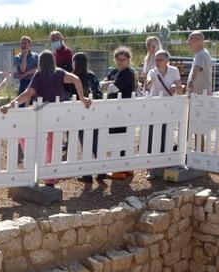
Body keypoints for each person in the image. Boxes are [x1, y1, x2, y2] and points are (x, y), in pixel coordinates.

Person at [0, 50, 92, 187]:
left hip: (41, 111)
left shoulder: (39, 74)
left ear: (40, 62)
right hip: (57, 114)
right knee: (52, 144)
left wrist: (10, 104)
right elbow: (76, 80)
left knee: (24, 136)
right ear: (53, 60)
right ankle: (50, 178)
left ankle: (35, 162)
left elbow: (28, 93)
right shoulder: (60, 73)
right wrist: (83, 98)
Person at [144, 49, 182, 180]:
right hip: (154, 108)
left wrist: (175, 86)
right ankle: (150, 168)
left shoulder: (174, 70)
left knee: (165, 136)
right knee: (151, 136)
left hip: (169, 109)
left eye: (159, 60)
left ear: (167, 61)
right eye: (156, 59)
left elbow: (180, 88)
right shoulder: (153, 71)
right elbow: (149, 79)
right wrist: (148, 81)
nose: (156, 62)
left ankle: (161, 166)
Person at [100, 46, 136, 180]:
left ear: (128, 60)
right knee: (119, 136)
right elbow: (101, 84)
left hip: (123, 111)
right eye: (118, 59)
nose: (121, 62)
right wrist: (108, 83)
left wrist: (108, 83)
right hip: (114, 110)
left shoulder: (128, 73)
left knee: (119, 137)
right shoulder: (115, 71)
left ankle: (119, 170)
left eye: (124, 59)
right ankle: (126, 167)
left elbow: (111, 89)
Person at [70, 52, 103, 182]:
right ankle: (101, 171)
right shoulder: (92, 76)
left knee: (85, 142)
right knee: (96, 142)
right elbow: (99, 93)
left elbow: (72, 96)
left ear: (76, 62)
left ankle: (87, 174)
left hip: (81, 114)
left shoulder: (74, 78)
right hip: (95, 112)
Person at [14, 36, 39, 104]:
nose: (23, 45)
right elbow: (22, 70)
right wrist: (24, 56)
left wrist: (27, 73)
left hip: (34, 82)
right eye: (21, 43)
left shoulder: (35, 56)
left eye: (25, 43)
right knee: (22, 104)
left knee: (35, 104)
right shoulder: (17, 57)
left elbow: (38, 69)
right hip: (24, 83)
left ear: (30, 45)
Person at [186, 31, 213, 95]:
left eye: (191, 39)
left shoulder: (201, 54)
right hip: (200, 94)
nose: (188, 42)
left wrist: (191, 83)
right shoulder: (201, 53)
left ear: (199, 40)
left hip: (199, 95)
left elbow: (197, 68)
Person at [50, 30, 74, 97]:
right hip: (56, 83)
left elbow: (69, 68)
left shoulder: (67, 51)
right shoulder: (54, 53)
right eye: (52, 40)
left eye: (55, 39)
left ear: (61, 39)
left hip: (65, 83)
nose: (53, 41)